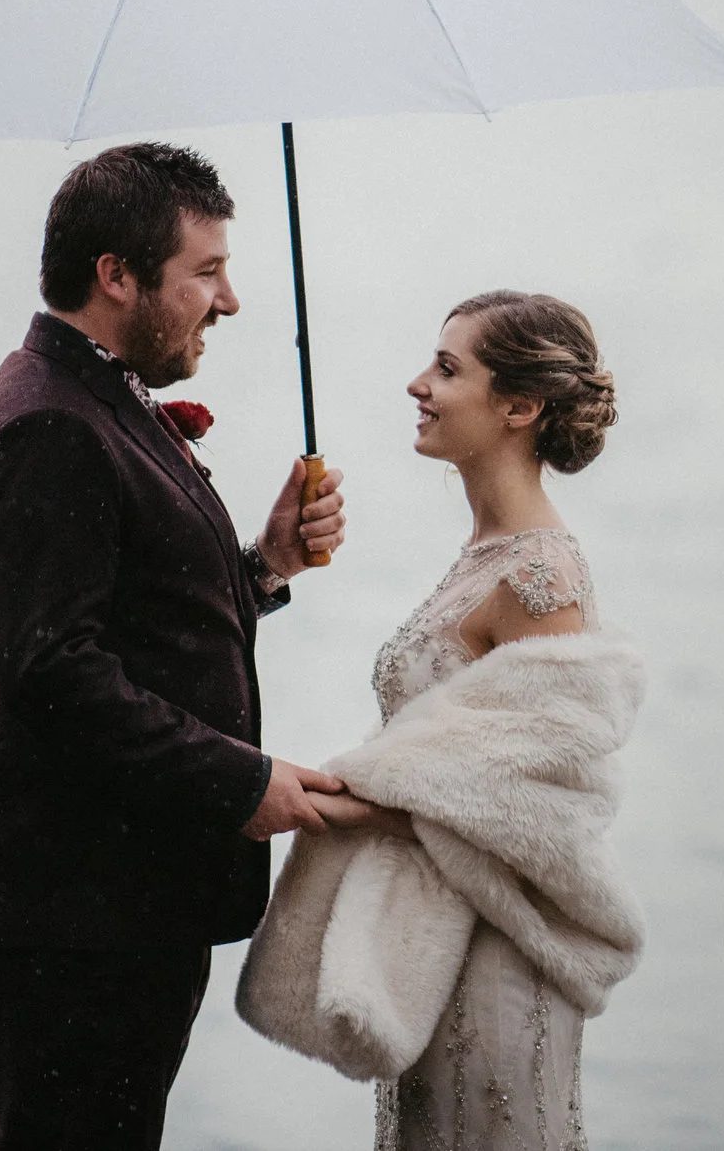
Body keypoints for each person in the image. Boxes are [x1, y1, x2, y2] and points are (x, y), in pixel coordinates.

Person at [0, 142, 350, 1149]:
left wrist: (267, 565)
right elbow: (49, 673)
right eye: (205, 272)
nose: (229, 300)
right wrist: (243, 783)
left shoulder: (88, 398)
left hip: (102, 904)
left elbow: (127, 629)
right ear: (117, 274)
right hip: (61, 913)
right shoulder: (50, 424)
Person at [286, 290, 639, 1150]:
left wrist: (307, 798)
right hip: (434, 946)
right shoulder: (485, 556)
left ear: (520, 406)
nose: (419, 384)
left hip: (495, 958)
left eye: (447, 369)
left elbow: (527, 805)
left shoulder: (539, 577)